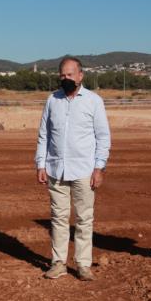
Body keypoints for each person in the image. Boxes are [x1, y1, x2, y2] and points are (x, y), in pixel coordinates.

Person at [36, 57, 111, 281]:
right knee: (58, 218)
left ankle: (83, 264)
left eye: (70, 74)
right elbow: (44, 135)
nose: (66, 79)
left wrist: (99, 168)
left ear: (80, 76)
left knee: (84, 219)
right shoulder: (52, 100)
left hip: (84, 169)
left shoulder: (93, 101)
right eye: (62, 75)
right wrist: (40, 163)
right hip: (55, 169)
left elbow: (103, 137)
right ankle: (58, 262)